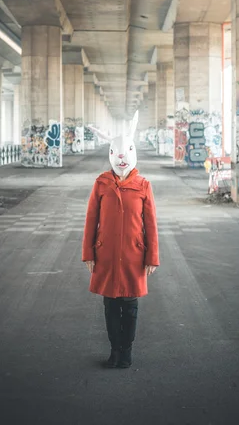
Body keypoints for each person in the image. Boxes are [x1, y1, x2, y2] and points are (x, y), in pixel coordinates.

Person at [82, 113, 159, 368]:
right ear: (111, 154)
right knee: (110, 305)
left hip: (134, 256)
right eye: (117, 152)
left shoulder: (143, 185)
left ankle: (126, 351)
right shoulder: (101, 184)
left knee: (130, 305)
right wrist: (89, 254)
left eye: (126, 151)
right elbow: (91, 220)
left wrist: (152, 257)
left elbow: (151, 225)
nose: (122, 158)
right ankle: (114, 350)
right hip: (105, 255)